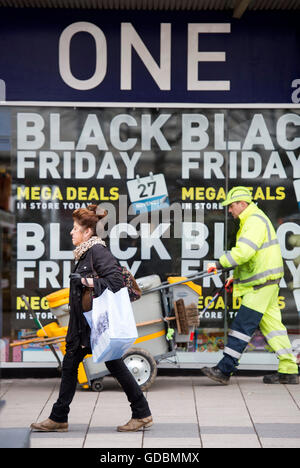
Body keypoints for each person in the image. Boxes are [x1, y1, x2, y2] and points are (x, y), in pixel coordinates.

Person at [31, 205, 153, 432]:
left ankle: (59, 417)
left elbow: (116, 282)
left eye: (76, 228)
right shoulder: (85, 252)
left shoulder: (97, 251)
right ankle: (141, 412)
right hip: (85, 323)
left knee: (85, 365)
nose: (71, 232)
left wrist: (87, 282)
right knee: (92, 365)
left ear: (88, 232)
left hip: (92, 325)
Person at [202, 186, 299, 385]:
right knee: (274, 328)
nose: (229, 210)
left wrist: (220, 264)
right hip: (267, 282)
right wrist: (234, 278)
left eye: (231, 206)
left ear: (242, 204)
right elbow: (252, 257)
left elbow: (244, 252)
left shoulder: (253, 221)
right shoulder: (254, 219)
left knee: (241, 327)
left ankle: (224, 369)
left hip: (260, 284)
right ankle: (289, 370)